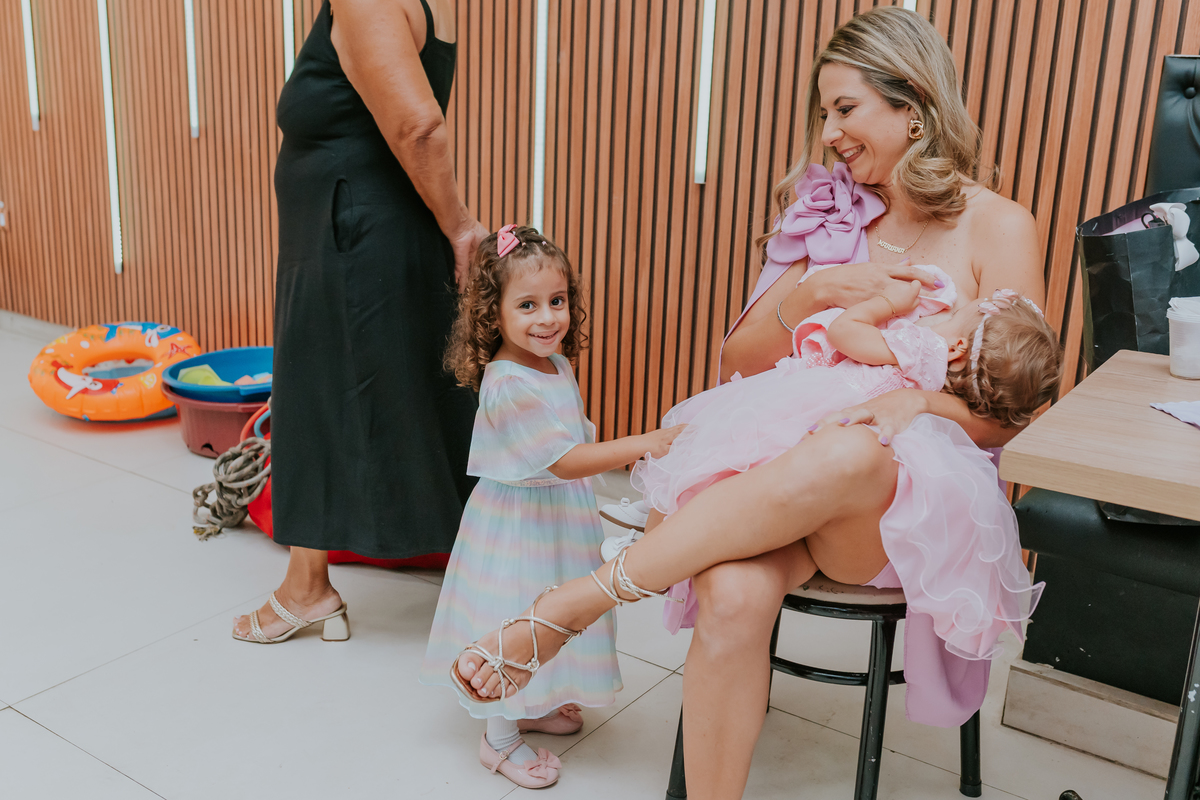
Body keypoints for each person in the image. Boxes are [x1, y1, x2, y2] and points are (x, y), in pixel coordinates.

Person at [449, 8, 1054, 798]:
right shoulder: (826, 214)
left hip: (900, 514)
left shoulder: (999, 226)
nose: (829, 133)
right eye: (824, 112)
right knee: (732, 595)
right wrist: (812, 292)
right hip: (780, 487)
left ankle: (573, 605)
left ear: (912, 104)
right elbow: (739, 364)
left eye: (846, 109)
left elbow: (1013, 410)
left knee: (851, 445)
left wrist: (923, 409)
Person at [232, 0, 486, 644]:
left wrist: (461, 227)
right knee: (392, 399)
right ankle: (494, 575)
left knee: (321, 400)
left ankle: (308, 589)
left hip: (352, 232)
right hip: (355, 226)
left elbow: (420, 127)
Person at [419, 225, 684, 789]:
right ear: (495, 316)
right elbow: (562, 460)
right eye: (528, 306)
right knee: (512, 614)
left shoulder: (555, 365)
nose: (548, 318)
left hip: (558, 518)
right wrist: (645, 443)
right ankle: (499, 740)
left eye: (557, 302)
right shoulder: (509, 383)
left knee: (552, 613)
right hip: (516, 522)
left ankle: (531, 703)